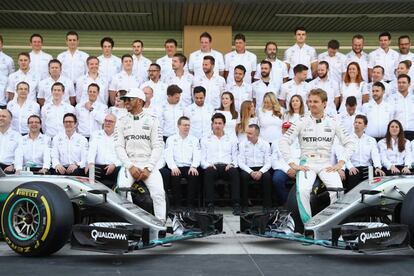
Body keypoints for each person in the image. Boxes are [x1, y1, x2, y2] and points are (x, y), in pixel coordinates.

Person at [279, 89, 355, 223]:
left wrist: (341, 163)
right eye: (310, 101)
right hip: (307, 163)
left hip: (326, 163)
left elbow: (350, 143)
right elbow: (283, 141)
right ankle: (308, 225)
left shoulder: (333, 122)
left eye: (316, 102)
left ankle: (331, 224)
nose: (312, 104)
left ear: (324, 104)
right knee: (302, 190)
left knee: (338, 191)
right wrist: (292, 164)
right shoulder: (300, 122)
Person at [114, 88, 166, 222]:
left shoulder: (153, 120)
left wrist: (149, 167)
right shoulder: (121, 120)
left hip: (148, 163)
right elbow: (119, 147)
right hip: (129, 163)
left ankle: (160, 227)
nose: (126, 102)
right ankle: (133, 224)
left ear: (139, 101)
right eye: (124, 100)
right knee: (123, 190)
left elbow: (158, 146)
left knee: (159, 194)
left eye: (129, 99)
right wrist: (130, 166)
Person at [201, 113, 240, 215]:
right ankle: (210, 204)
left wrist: (232, 164)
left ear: (224, 125)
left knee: (234, 172)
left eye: (220, 123)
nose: (217, 125)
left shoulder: (231, 138)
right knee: (208, 172)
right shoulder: (205, 138)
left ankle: (236, 204)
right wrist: (207, 165)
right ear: (212, 124)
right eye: (215, 123)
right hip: (212, 166)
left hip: (227, 166)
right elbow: (202, 158)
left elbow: (236, 156)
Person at [165, 116, 201, 209]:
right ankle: (177, 205)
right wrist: (173, 167)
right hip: (176, 166)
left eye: (188, 125)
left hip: (189, 166)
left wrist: (194, 166)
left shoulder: (194, 139)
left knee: (194, 175)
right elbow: (168, 155)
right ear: (178, 126)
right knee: (175, 176)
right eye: (184, 125)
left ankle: (190, 205)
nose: (187, 127)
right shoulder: (171, 139)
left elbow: (197, 155)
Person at [345, 115, 384, 192]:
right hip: (353, 168)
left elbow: (375, 155)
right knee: (353, 185)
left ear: (365, 126)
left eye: (359, 123)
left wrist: (378, 167)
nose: (356, 124)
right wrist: (350, 167)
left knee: (375, 178)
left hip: (367, 168)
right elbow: (345, 156)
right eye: (355, 122)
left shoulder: (371, 140)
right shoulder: (347, 139)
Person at [238, 124, 272, 212]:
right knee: (243, 177)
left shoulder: (265, 144)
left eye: (250, 133)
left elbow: (268, 162)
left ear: (257, 134)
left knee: (267, 176)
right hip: (248, 167)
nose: (247, 135)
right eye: (247, 133)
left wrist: (260, 172)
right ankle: (244, 206)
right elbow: (241, 162)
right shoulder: (242, 144)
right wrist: (251, 172)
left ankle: (267, 207)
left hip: (261, 167)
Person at [86, 113, 121, 189]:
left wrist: (114, 164)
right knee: (91, 170)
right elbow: (92, 151)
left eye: (110, 121)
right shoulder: (95, 134)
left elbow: (123, 155)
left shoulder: (120, 136)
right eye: (106, 120)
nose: (107, 123)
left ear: (116, 124)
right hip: (98, 167)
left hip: (114, 168)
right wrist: (90, 162)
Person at [271, 121, 300, 206]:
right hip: (282, 168)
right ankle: (287, 203)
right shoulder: (276, 142)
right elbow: (274, 160)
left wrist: (295, 168)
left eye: (289, 129)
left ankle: (299, 202)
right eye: (285, 129)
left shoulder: (300, 141)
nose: (287, 131)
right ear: (282, 130)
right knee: (277, 180)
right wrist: (287, 170)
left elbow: (304, 157)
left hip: (298, 167)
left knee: (305, 180)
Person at [389, 74, 414, 140]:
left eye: (404, 82)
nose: (401, 84)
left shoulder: (413, 98)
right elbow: (389, 117)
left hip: (412, 131)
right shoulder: (390, 99)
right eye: (399, 82)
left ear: (409, 84)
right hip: (398, 133)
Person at [0, 109, 21, 174]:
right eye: (0, 116)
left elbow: (20, 154)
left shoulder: (17, 136)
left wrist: (13, 165)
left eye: (4, 116)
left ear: (10, 120)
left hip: (8, 168)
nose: (1, 118)